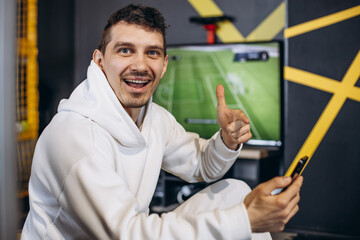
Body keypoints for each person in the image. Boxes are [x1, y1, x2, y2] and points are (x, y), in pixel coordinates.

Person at [21, 4, 303, 240]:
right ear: (99, 61)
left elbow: (201, 164)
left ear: (164, 64)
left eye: (152, 52)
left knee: (237, 193)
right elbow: (129, 234)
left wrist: (227, 140)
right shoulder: (76, 138)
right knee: (241, 215)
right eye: (125, 50)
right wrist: (244, 220)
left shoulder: (153, 118)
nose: (141, 65)